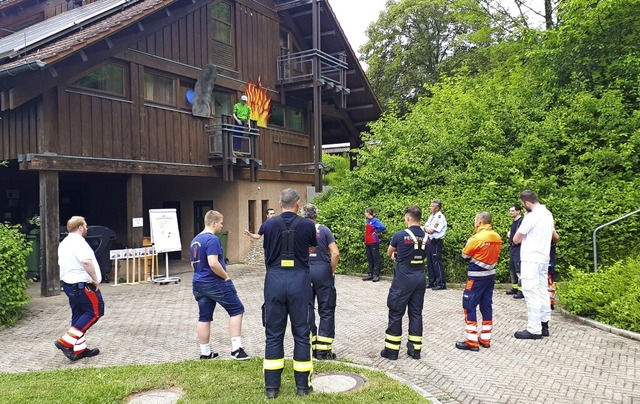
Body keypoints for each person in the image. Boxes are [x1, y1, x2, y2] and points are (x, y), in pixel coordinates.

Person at [260, 188, 317, 399]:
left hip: (274, 280)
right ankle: (303, 387)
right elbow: (312, 248)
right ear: (298, 204)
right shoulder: (307, 224)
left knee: (273, 333)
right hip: (299, 280)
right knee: (302, 332)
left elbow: (266, 247)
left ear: (279, 202)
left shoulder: (269, 224)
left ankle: (272, 389)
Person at [190, 210, 249, 360]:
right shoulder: (213, 240)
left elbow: (193, 264)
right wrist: (226, 277)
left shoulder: (195, 240)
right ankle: (236, 350)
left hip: (198, 282)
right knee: (237, 309)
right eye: (221, 223)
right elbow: (213, 263)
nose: (222, 226)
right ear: (214, 223)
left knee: (204, 317)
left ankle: (205, 352)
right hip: (215, 282)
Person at [380, 205, 427, 361]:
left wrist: (396, 256)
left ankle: (391, 351)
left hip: (403, 279)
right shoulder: (427, 237)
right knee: (416, 313)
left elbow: (389, 252)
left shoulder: (400, 235)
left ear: (408, 218)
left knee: (396, 312)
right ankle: (415, 350)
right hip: (420, 278)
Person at [55, 216, 104, 361]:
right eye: (86, 226)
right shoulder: (79, 243)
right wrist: (95, 279)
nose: (87, 229)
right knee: (95, 312)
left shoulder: (63, 243)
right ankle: (65, 342)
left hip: (69, 285)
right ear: (81, 227)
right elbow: (87, 262)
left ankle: (79, 349)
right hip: (82, 285)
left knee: (79, 315)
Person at [456, 211, 503, 351]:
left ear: (480, 221)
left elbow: (465, 255)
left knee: (469, 305)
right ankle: (485, 338)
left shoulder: (476, 238)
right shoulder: (497, 237)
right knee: (486, 306)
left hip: (476, 277)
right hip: (490, 276)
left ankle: (471, 341)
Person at [512, 190, 555, 339]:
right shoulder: (548, 214)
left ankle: (534, 329)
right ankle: (544, 324)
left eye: (524, 205)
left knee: (531, 293)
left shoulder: (531, 217)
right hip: (543, 258)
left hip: (531, 259)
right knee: (543, 290)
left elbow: (516, 239)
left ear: (527, 203)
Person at [300, 203, 340, 360]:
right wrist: (330, 270)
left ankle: (309, 347)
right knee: (327, 309)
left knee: (307, 309)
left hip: (304, 272)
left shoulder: (298, 230)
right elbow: (335, 253)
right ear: (316, 215)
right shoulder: (324, 230)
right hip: (323, 271)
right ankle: (323, 351)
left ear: (303, 215)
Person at [423, 199, 447, 290]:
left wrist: (425, 228)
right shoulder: (432, 216)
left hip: (436, 241)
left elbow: (431, 230)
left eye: (432, 206)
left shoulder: (440, 217)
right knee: (430, 262)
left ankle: (441, 283)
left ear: (437, 208)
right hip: (429, 241)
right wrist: (425, 228)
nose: (430, 207)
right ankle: (431, 282)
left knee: (436, 262)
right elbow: (426, 227)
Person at [363, 207, 386, 282]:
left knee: (375, 258)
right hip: (367, 241)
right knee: (370, 258)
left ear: (369, 213)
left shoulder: (375, 221)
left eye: (365, 212)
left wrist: (375, 231)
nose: (364, 214)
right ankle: (370, 274)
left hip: (373, 242)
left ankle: (376, 275)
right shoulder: (367, 221)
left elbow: (383, 227)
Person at [506, 204, 525, 299]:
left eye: (512, 211)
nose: (510, 212)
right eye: (510, 211)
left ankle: (521, 291)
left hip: (519, 248)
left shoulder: (522, 221)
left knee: (519, 269)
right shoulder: (514, 222)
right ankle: (515, 287)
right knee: (512, 268)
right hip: (512, 247)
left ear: (518, 211)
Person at [548, 226, 560, 310]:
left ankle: (550, 302)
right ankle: (549, 301)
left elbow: (556, 237)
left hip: (547, 258)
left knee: (550, 280)